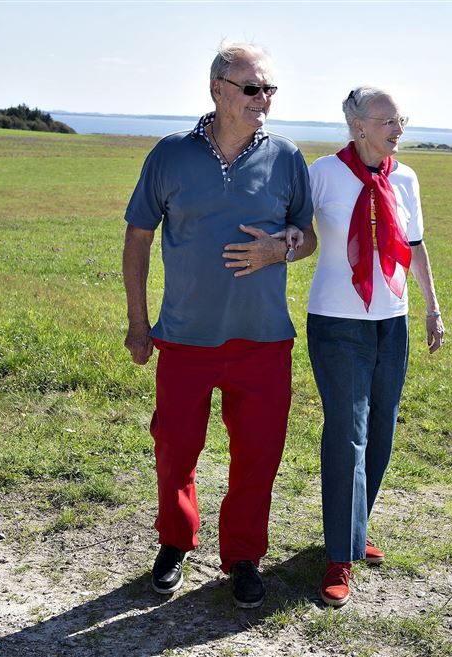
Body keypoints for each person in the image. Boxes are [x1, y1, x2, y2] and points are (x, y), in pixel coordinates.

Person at [122, 42, 315, 609]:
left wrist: (281, 249)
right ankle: (175, 542)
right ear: (217, 90)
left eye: (270, 89)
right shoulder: (170, 154)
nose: (264, 99)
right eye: (252, 88)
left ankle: (244, 557)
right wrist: (139, 322)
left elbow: (306, 236)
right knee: (174, 449)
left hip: (264, 340)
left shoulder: (287, 157)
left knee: (258, 456)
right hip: (185, 338)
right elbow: (138, 238)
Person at [305, 86, 444, 606]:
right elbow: (297, 232)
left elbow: (415, 247)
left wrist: (432, 308)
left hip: (392, 321)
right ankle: (339, 556)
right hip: (337, 322)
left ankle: (355, 525)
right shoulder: (322, 173)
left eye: (401, 120)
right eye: (388, 121)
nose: (398, 129)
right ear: (358, 125)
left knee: (382, 427)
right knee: (348, 431)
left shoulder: (406, 178)